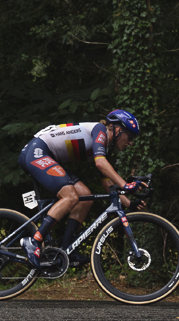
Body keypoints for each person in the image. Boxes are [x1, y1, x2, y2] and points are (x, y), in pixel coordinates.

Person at [17, 109, 143, 268]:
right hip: (37, 152)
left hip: (49, 157)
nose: (131, 142)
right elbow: (100, 164)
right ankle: (34, 241)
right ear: (118, 130)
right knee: (70, 196)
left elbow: (108, 184)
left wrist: (129, 203)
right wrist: (126, 185)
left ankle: (67, 250)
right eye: (130, 136)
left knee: (85, 198)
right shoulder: (100, 131)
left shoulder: (106, 147)